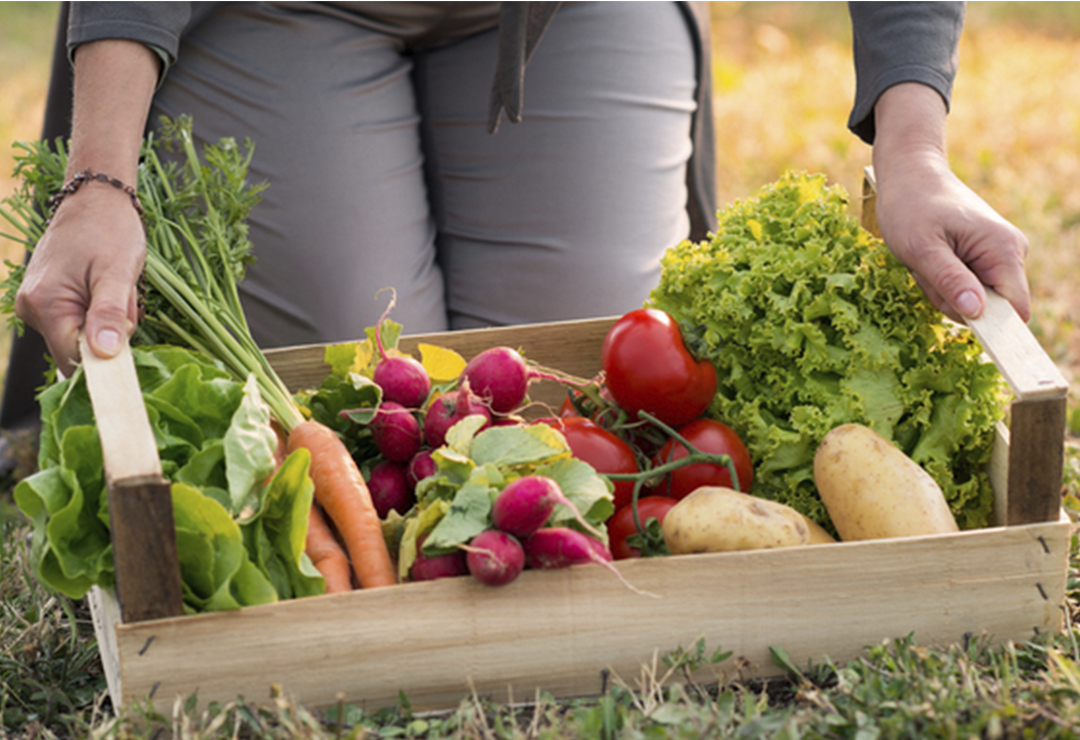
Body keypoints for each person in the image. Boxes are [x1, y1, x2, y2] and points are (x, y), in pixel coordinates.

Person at [1, 1, 1030, 436]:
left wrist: (913, 147)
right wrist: (100, 178)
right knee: (341, 397)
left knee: (574, 403)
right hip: (278, 10)